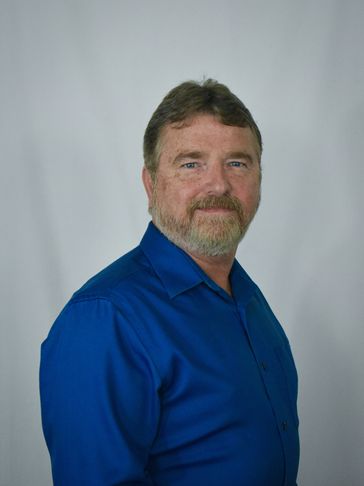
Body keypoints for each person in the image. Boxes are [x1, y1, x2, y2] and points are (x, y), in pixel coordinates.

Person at [40, 79, 300, 485]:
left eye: (237, 163)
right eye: (190, 163)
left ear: (259, 180)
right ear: (151, 183)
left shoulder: (247, 298)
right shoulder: (104, 321)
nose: (218, 184)